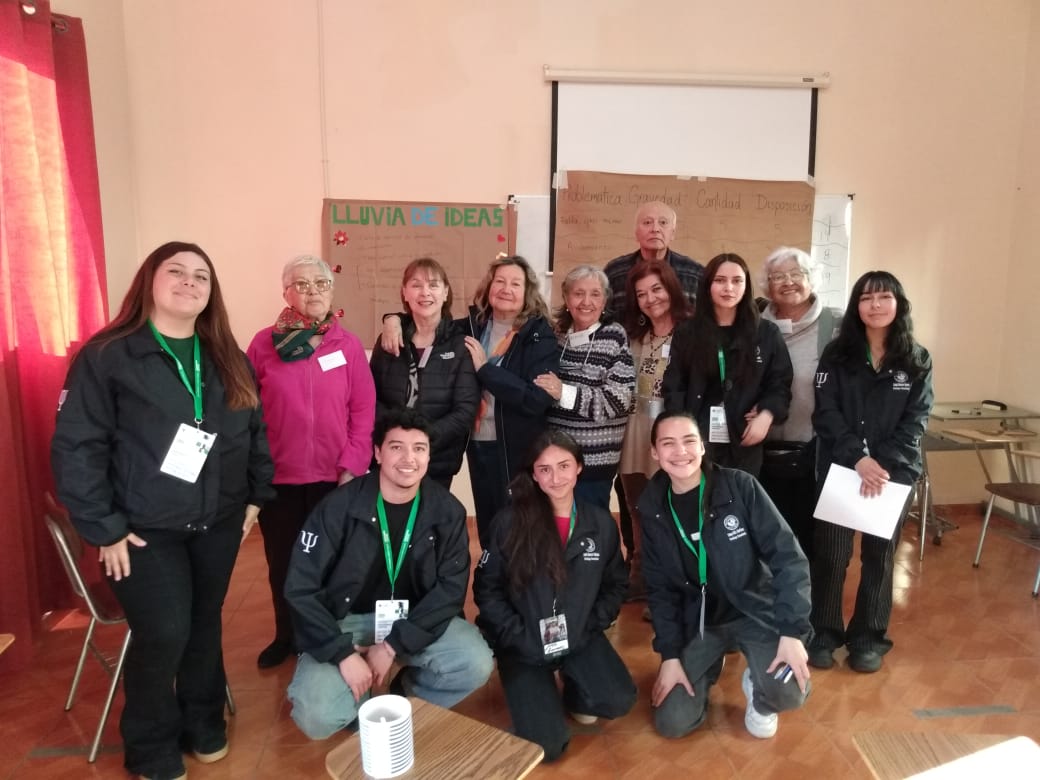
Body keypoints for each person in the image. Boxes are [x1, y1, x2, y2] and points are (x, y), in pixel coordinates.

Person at [51, 241, 275, 780]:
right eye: (176, 271)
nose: (189, 282)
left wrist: (254, 496)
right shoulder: (108, 355)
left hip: (218, 521)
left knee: (203, 623)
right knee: (166, 630)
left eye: (201, 275)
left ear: (211, 292)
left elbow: (254, 429)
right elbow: (77, 447)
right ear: (149, 281)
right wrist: (105, 529)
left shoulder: (225, 354)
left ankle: (203, 720)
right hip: (141, 530)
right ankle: (149, 743)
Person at [284, 409, 493, 739]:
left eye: (419, 448)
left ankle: (405, 696)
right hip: (346, 621)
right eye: (397, 447)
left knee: (475, 662)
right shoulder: (337, 507)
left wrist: (393, 645)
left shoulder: (447, 511)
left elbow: (450, 591)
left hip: (413, 619)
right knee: (316, 716)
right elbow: (300, 588)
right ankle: (360, 703)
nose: (409, 458)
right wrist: (341, 653)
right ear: (378, 453)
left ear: (429, 456)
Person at [638, 411, 811, 740]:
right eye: (668, 443)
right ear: (655, 453)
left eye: (689, 441)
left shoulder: (739, 486)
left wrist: (792, 632)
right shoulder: (652, 507)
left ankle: (759, 693)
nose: (681, 451)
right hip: (699, 622)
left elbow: (788, 557)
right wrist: (670, 656)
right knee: (673, 722)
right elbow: (660, 590)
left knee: (789, 691)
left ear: (702, 447)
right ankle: (709, 664)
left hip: (754, 611)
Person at [473, 430, 635, 761]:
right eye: (544, 469)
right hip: (522, 644)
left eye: (564, 466)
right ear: (534, 474)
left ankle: (574, 687)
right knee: (547, 746)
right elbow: (486, 589)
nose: (555, 477)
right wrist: (517, 635)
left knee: (618, 700)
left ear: (579, 468)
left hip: (577, 636)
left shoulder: (600, 524)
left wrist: (588, 626)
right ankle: (534, 687)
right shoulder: (509, 522)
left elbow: (615, 585)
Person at [247, 254, 376, 669]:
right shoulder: (263, 344)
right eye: (302, 284)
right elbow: (247, 411)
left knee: (331, 562)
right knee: (284, 562)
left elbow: (363, 410)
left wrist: (353, 464)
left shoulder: (347, 345)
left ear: (331, 290)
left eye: (321, 283)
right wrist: (257, 467)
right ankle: (287, 634)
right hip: (279, 478)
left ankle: (327, 635)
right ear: (286, 293)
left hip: (333, 478)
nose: (313, 291)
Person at [808, 271, 933, 674]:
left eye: (883, 297)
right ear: (856, 306)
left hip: (891, 476)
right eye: (866, 298)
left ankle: (868, 640)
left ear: (899, 304)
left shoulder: (916, 358)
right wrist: (858, 459)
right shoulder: (837, 354)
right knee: (831, 557)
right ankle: (823, 634)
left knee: (880, 559)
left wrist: (880, 464)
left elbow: (917, 419)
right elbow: (826, 412)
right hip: (842, 470)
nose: (875, 305)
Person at [662, 253, 793, 477]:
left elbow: (780, 383)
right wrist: (680, 432)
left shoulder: (765, 333)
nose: (729, 288)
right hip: (696, 440)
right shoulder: (688, 332)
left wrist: (767, 414)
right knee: (698, 496)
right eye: (720, 280)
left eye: (737, 281)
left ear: (746, 285)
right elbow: (674, 386)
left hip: (744, 438)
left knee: (738, 496)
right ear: (707, 285)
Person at [756, 247, 843, 560]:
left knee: (810, 542)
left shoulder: (837, 325)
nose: (788, 281)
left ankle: (807, 592)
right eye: (778, 276)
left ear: (812, 279)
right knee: (766, 539)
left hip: (815, 454)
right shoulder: (753, 325)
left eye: (796, 274)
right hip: (760, 453)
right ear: (767, 285)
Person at [618, 260, 694, 598]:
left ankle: (671, 586)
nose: (650, 299)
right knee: (638, 508)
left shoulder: (691, 333)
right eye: (642, 294)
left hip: (672, 436)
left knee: (673, 510)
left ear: (671, 289)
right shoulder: (633, 335)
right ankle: (640, 575)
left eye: (656, 289)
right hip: (634, 433)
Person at [369, 257, 479, 488]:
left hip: (437, 460)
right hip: (391, 456)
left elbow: (465, 410)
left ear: (445, 292)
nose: (425, 292)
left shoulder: (460, 344)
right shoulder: (388, 339)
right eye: (416, 285)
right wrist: (397, 438)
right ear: (404, 293)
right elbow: (370, 397)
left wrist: (421, 441)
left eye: (433, 285)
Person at [534, 264, 634, 510]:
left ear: (604, 301)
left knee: (590, 526)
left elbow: (619, 401)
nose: (586, 302)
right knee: (552, 525)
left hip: (593, 461)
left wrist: (564, 392)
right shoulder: (556, 334)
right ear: (566, 298)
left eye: (595, 294)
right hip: (554, 460)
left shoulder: (614, 336)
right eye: (578, 293)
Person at [603, 200, 703, 315]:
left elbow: (705, 319)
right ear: (636, 233)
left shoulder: (694, 273)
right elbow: (604, 316)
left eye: (663, 222)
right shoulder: (615, 271)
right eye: (647, 222)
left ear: (672, 234)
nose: (655, 229)